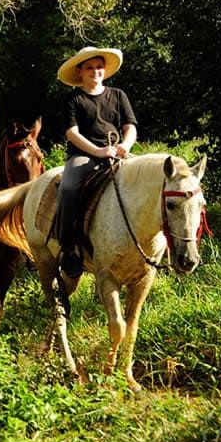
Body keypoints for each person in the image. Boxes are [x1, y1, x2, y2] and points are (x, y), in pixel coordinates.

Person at [55, 47, 138, 279]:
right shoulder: (74, 99)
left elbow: (129, 126)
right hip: (84, 155)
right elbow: (72, 133)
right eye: (89, 68)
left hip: (116, 151)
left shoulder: (118, 95)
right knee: (69, 188)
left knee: (146, 182)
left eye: (99, 67)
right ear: (80, 72)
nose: (95, 71)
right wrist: (98, 151)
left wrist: (127, 146)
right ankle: (68, 247)